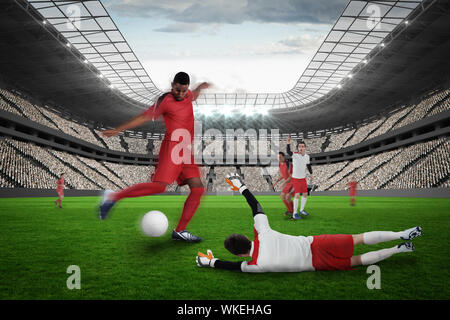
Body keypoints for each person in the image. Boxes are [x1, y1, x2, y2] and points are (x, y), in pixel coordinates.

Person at [196, 173, 422, 273]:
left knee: (358, 261)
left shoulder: (254, 266)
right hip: (315, 244)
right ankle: (401, 234)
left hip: (316, 264)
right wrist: (241, 187)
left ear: (239, 254)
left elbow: (233, 267)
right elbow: (256, 207)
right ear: (247, 238)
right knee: (358, 238)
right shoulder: (262, 233)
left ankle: (398, 249)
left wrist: (211, 262)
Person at [99, 72, 210, 243]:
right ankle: (113, 197)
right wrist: (119, 130)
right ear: (172, 84)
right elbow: (144, 116)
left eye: (183, 90)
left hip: (186, 149)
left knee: (198, 189)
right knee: (159, 188)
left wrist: (200, 87)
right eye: (177, 90)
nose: (180, 94)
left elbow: (193, 95)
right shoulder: (165, 100)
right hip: (172, 147)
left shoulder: (187, 94)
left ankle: (180, 231)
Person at [286, 139, 313, 220]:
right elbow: (288, 151)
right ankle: (294, 213)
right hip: (296, 178)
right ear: (298, 148)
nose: (301, 148)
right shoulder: (295, 155)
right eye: (299, 147)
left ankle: (301, 210)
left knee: (305, 194)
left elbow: (308, 165)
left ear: (305, 148)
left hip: (303, 178)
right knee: (297, 195)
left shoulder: (307, 156)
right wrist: (288, 143)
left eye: (302, 146)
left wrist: (311, 174)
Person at [271, 136, 294, 217]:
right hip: (287, 183)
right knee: (282, 196)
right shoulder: (280, 165)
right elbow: (282, 175)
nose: (279, 158)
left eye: (280, 157)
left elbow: (291, 175)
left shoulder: (289, 164)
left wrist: (284, 183)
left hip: (293, 183)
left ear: (284, 157)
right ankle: (289, 211)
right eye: (278, 157)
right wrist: (276, 182)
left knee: (287, 197)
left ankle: (293, 212)